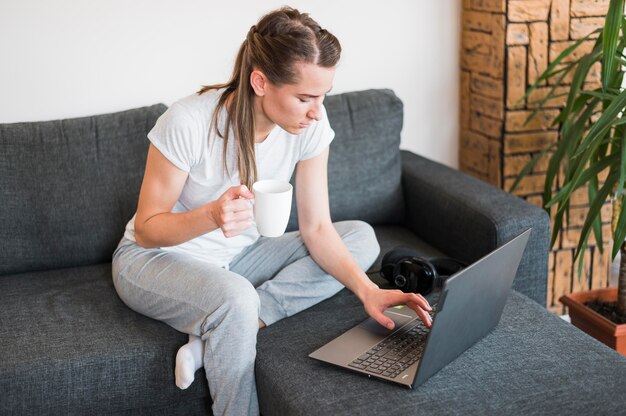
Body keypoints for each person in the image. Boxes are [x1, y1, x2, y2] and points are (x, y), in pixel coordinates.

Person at [111, 6, 432, 416]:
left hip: (237, 258)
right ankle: (234, 343)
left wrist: (368, 292)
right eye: (304, 97)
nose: (316, 111)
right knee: (237, 298)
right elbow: (146, 230)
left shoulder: (311, 124)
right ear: (260, 81)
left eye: (322, 96)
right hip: (152, 260)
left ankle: (228, 328)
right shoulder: (188, 121)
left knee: (360, 238)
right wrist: (210, 216)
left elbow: (317, 227)